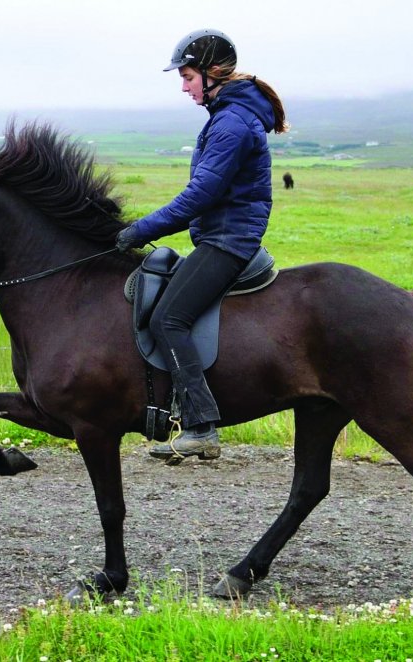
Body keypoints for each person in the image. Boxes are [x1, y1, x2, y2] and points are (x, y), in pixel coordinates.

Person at [115, 28, 288, 461]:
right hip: (221, 235)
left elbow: (200, 195)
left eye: (188, 76)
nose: (184, 85)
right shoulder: (228, 115)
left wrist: (141, 231)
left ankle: (200, 425)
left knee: (168, 319)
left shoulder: (230, 122)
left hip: (228, 241)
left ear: (212, 74)